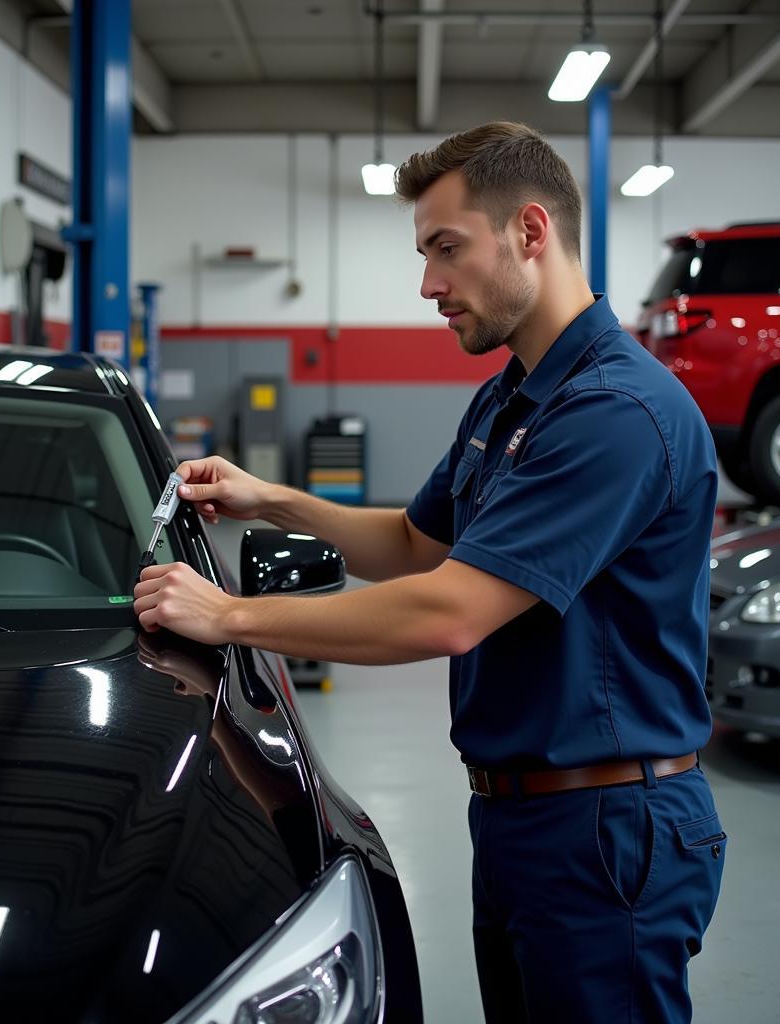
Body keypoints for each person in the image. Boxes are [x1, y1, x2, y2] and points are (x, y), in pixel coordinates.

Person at [133, 121, 725, 1024]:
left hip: (608, 829)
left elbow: (449, 611)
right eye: (423, 254)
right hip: (525, 819)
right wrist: (272, 500)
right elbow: (416, 544)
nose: (428, 285)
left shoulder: (615, 411)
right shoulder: (513, 395)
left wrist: (230, 618)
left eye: (446, 249)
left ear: (531, 231)